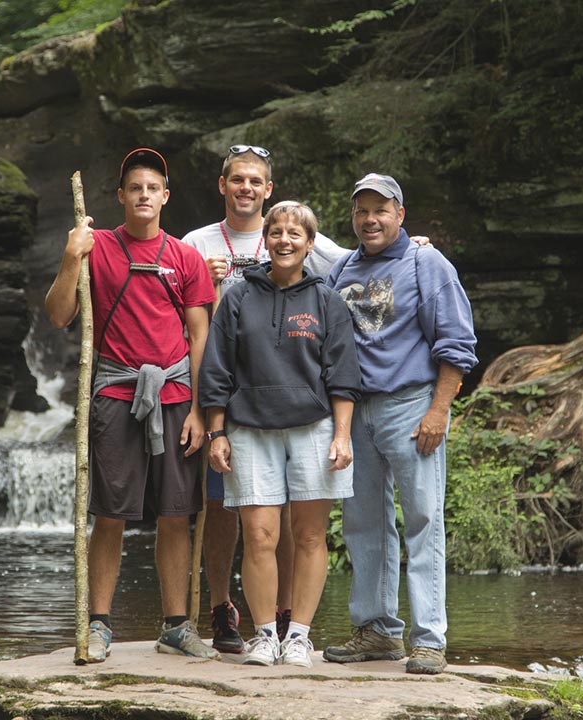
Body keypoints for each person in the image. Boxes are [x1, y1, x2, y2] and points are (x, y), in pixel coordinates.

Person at [44, 148, 219, 663]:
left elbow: (198, 334)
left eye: (153, 188)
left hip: (174, 395)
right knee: (111, 513)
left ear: (165, 197)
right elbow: (58, 316)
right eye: (134, 188)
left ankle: (176, 625)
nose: (144, 196)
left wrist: (198, 410)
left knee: (175, 513)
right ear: (121, 196)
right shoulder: (95, 246)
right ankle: (98, 625)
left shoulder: (184, 257)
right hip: (116, 393)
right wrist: (71, 255)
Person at [181, 145, 349, 653]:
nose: (283, 240)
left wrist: (413, 247)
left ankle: (293, 631)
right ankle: (241, 622)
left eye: (293, 234)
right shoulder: (207, 256)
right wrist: (212, 426)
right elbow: (212, 358)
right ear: (223, 184)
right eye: (238, 179)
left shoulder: (325, 292)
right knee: (248, 527)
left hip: (311, 423)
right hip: (242, 419)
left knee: (305, 534)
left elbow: (365, 257)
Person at [323, 173, 478, 675]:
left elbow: (456, 340)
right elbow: (289, 246)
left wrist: (439, 410)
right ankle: (378, 631)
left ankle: (429, 639)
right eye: (361, 211)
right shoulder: (342, 266)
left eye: (380, 210)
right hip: (354, 412)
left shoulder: (425, 262)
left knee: (423, 520)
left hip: (411, 407)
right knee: (363, 524)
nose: (370, 219)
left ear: (400, 215)